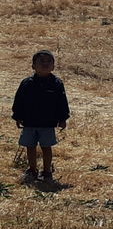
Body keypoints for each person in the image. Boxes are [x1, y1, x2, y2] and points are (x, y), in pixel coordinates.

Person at [11, 50, 70, 183]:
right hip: (29, 122)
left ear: (53, 66)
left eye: (49, 61)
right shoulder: (27, 83)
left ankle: (47, 172)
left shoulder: (56, 83)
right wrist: (17, 116)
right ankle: (32, 170)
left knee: (46, 147)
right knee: (30, 147)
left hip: (48, 123)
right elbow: (19, 100)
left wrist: (63, 118)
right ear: (33, 66)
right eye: (41, 61)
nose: (45, 64)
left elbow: (62, 102)